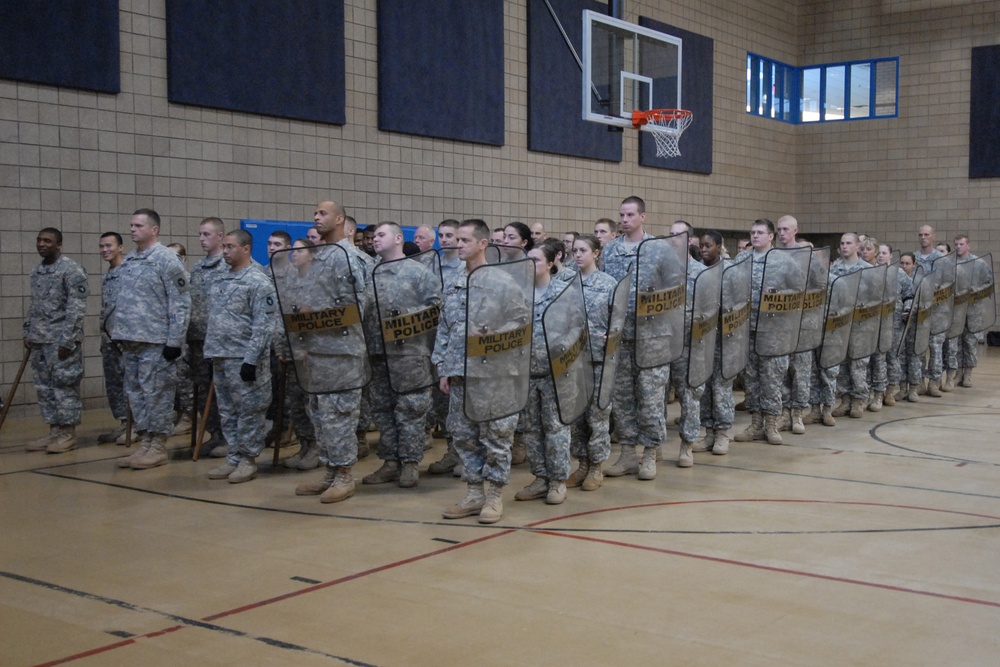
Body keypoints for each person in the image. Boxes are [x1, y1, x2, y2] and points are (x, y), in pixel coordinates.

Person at [434, 219, 530, 524]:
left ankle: (494, 495)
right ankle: (474, 492)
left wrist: (493, 334)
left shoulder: (502, 283)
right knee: (464, 436)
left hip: (495, 374)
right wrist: (443, 367)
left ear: (482, 244)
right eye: (457, 240)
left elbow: (522, 324)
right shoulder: (454, 283)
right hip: (461, 373)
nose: (458, 245)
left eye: (464, 240)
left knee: (496, 436)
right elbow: (445, 328)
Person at [293, 200, 370, 503]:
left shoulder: (346, 258)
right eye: (315, 213)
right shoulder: (319, 257)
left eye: (323, 213)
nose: (316, 217)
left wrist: (315, 314)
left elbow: (356, 307)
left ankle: (344, 476)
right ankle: (329, 471)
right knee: (320, 415)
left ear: (340, 219)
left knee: (339, 416)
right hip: (316, 351)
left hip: (341, 352)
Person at [361, 222, 441, 489]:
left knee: (410, 411)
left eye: (381, 235)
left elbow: (436, 311)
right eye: (375, 236)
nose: (375, 239)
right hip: (377, 353)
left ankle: (409, 463)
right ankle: (390, 461)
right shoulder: (370, 272)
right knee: (382, 410)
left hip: (409, 354)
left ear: (397, 238)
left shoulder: (419, 273)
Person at [112, 209, 191, 470]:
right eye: (131, 225)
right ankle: (145, 442)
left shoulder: (167, 260)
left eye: (138, 225)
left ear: (154, 229)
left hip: (156, 342)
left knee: (156, 394)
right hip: (131, 340)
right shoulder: (131, 260)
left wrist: (174, 341)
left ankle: (158, 446)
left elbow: (181, 303)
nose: (132, 229)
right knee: (136, 394)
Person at [602, 196, 668, 480]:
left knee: (651, 396)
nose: (625, 219)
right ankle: (628, 452)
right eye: (622, 215)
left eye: (630, 215)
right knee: (623, 396)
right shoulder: (610, 251)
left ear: (643, 217)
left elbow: (673, 291)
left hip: (652, 337)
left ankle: (650, 452)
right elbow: (606, 289)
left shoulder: (658, 249)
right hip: (621, 337)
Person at [203, 230, 276, 483]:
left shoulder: (257, 281)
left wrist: (251, 359)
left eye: (230, 246)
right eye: (223, 246)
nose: (224, 251)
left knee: (249, 411)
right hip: (221, 355)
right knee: (227, 411)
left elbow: (264, 325)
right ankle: (233, 456)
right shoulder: (221, 279)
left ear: (246, 249)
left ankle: (248, 459)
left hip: (244, 359)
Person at [515, 243, 572, 505]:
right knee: (532, 430)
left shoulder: (563, 292)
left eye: (536, 260)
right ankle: (540, 477)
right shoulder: (519, 294)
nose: (530, 265)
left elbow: (576, 327)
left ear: (550, 264)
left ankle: (558, 480)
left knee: (556, 428)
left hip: (555, 374)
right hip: (526, 373)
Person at [23, 228, 89, 454]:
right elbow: (35, 304)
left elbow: (76, 308)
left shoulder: (71, 270)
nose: (41, 244)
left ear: (58, 245)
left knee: (64, 386)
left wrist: (67, 340)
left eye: (47, 241)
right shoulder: (38, 271)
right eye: (39, 240)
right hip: (40, 339)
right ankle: (54, 430)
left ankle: (67, 434)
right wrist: (28, 330)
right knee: (45, 388)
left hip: (61, 341)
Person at [734, 219, 793, 445]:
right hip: (746, 329)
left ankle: (772, 424)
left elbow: (799, 290)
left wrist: (781, 294)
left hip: (774, 330)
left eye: (760, 232)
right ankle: (756, 423)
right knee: (752, 378)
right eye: (752, 232)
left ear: (771, 236)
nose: (755, 236)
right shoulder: (742, 259)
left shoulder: (784, 261)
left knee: (772, 378)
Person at [566, 235, 617, 489]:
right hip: (572, 360)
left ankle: (596, 467)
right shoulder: (565, 282)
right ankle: (582, 463)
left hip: (598, 357)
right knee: (576, 416)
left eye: (583, 250)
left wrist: (612, 335)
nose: (577, 254)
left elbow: (618, 321)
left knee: (598, 414)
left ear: (596, 253)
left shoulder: (608, 284)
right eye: (574, 250)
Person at [183, 217, 229, 454]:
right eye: (200, 234)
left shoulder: (228, 266)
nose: (201, 239)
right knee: (202, 390)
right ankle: (213, 432)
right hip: (198, 340)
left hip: (221, 341)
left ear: (220, 237)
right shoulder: (198, 268)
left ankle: (228, 437)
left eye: (206, 234)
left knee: (223, 390)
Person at [277, 239, 321, 469]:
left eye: (300, 251)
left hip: (311, 353)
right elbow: (285, 318)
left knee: (310, 403)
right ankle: (304, 445)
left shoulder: (318, 282)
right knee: (295, 403)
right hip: (292, 350)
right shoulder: (290, 282)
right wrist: (283, 348)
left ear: (312, 255)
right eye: (293, 250)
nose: (294, 254)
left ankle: (316, 448)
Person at [666, 221, 706, 467]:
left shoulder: (701, 273)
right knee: (655, 398)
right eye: (670, 235)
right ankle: (652, 449)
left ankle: (687, 445)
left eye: (678, 235)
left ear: (690, 240)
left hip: (689, 345)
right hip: (660, 343)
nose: (673, 239)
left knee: (689, 397)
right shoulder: (661, 270)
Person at [426, 219, 464, 472]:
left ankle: (464, 453)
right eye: (442, 235)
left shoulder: (465, 268)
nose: (446, 240)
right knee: (441, 401)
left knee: (460, 405)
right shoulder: (430, 264)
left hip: (459, 345)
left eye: (451, 235)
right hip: (435, 340)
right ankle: (452, 451)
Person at [694, 231, 736, 455]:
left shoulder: (730, 271)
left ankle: (722, 433)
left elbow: (738, 302)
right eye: (701, 245)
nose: (704, 249)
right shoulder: (696, 270)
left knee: (721, 387)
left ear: (719, 246)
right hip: (701, 338)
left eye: (708, 245)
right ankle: (708, 431)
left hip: (723, 338)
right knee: (704, 387)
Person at [827, 233, 873, 419]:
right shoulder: (834, 269)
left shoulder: (868, 270)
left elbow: (875, 297)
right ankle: (845, 399)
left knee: (858, 364)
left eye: (849, 243)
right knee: (842, 363)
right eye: (842, 243)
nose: (845, 246)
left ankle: (859, 400)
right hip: (840, 324)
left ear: (857, 246)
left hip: (861, 324)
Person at [773, 215, 812, 435]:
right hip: (779, 323)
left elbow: (814, 286)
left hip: (802, 322)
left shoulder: (805, 256)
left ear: (795, 230)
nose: (782, 233)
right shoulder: (775, 255)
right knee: (781, 371)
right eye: (779, 229)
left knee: (801, 370)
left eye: (786, 229)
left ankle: (797, 413)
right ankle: (783, 412)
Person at [97, 232, 129, 444]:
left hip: (125, 338)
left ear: (120, 248)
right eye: (101, 246)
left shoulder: (129, 272)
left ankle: (136, 425)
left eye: (109, 245)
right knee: (114, 383)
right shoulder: (107, 276)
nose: (105, 250)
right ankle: (124, 422)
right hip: (109, 338)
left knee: (130, 382)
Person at [914, 225, 945, 397]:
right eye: (920, 235)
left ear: (933, 236)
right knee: (918, 347)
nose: (923, 237)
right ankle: (918, 382)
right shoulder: (915, 257)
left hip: (937, 311)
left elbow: (948, 282)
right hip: (919, 311)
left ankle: (934, 382)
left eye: (926, 234)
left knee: (935, 348)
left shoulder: (941, 259)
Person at [949, 234, 980, 388]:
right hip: (956, 310)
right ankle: (958, 373)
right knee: (957, 343)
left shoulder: (978, 263)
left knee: (970, 342)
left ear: (968, 245)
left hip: (973, 310)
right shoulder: (951, 263)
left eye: (961, 244)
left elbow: (987, 284)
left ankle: (968, 373)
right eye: (956, 244)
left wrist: (975, 291)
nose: (958, 247)